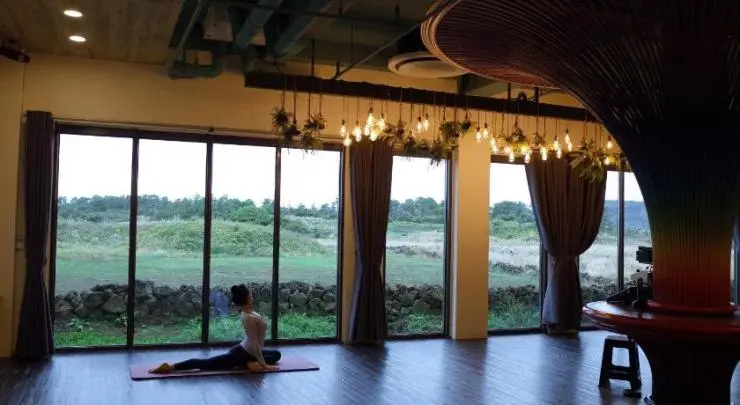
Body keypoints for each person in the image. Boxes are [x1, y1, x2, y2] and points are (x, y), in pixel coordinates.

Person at [148, 284, 281, 374]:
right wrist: (263, 365)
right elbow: (254, 342)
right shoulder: (248, 317)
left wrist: (259, 361)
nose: (252, 295)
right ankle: (171, 366)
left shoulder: (251, 312)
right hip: (241, 353)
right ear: (248, 298)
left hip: (248, 352)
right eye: (250, 294)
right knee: (207, 364)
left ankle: (248, 362)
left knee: (276, 355)